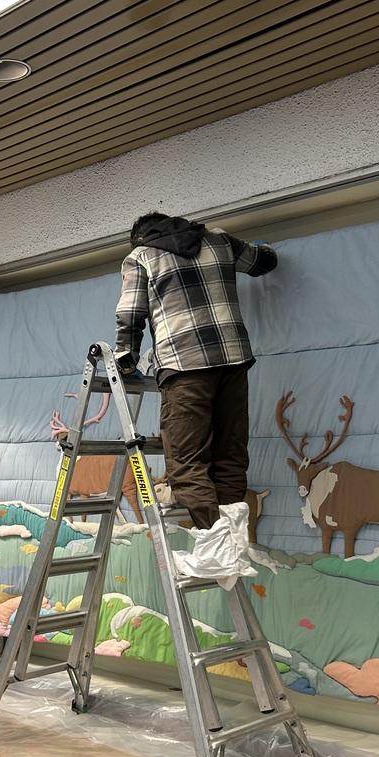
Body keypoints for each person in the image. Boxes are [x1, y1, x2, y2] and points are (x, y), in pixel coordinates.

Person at [114, 211, 277, 529]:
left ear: (140, 237)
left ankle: (217, 547)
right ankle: (232, 542)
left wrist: (125, 362)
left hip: (184, 367)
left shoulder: (141, 257)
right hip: (234, 362)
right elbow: (262, 262)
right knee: (230, 459)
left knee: (186, 466)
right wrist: (264, 248)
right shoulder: (220, 241)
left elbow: (130, 315)